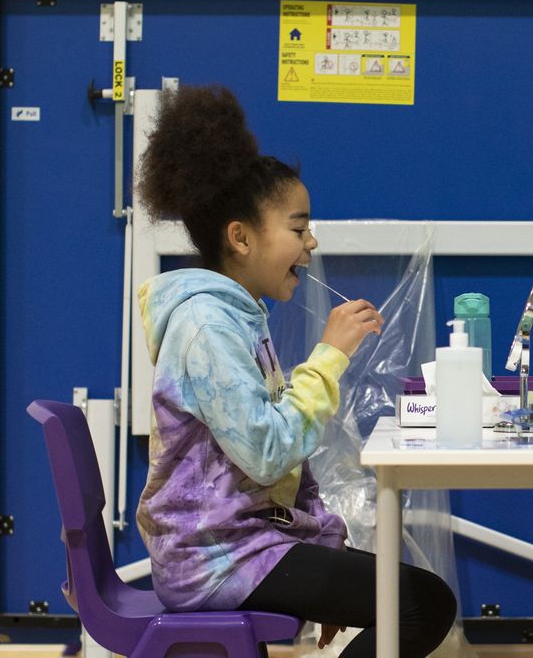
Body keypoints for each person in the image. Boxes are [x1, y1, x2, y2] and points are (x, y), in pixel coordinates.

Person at [135, 85, 456, 658]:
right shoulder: (207, 327)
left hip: (245, 544)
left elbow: (276, 473)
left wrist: (322, 545)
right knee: (422, 605)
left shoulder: (235, 318)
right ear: (240, 237)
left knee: (417, 599)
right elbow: (265, 449)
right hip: (216, 558)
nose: (311, 242)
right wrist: (329, 356)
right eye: (299, 227)